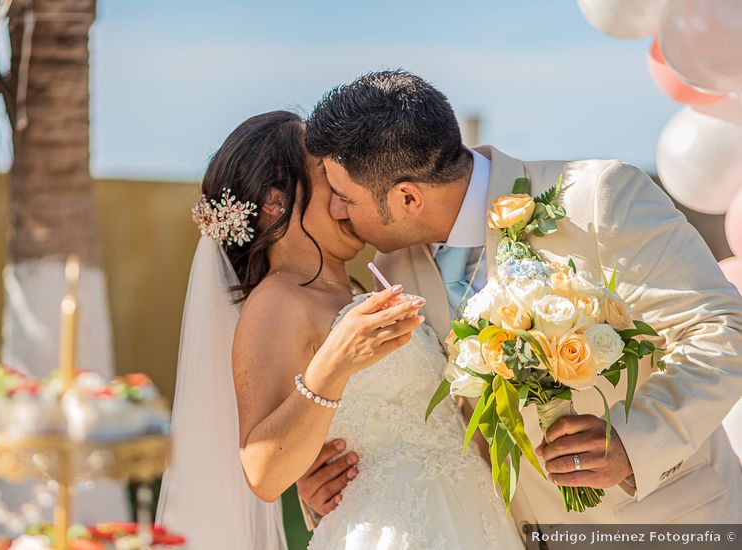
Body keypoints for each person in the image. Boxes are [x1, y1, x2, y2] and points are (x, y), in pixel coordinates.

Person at [298, 69, 742, 530]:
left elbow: (721, 329)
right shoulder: (391, 274)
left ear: (408, 197)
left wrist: (634, 445)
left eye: (345, 197)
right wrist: (330, 490)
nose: (336, 210)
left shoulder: (599, 197)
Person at [157, 110, 523, 549]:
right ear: (277, 201)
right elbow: (263, 471)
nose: (349, 188)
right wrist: (336, 362)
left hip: (472, 517)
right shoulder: (277, 303)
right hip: (391, 533)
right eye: (330, 176)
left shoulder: (365, 282)